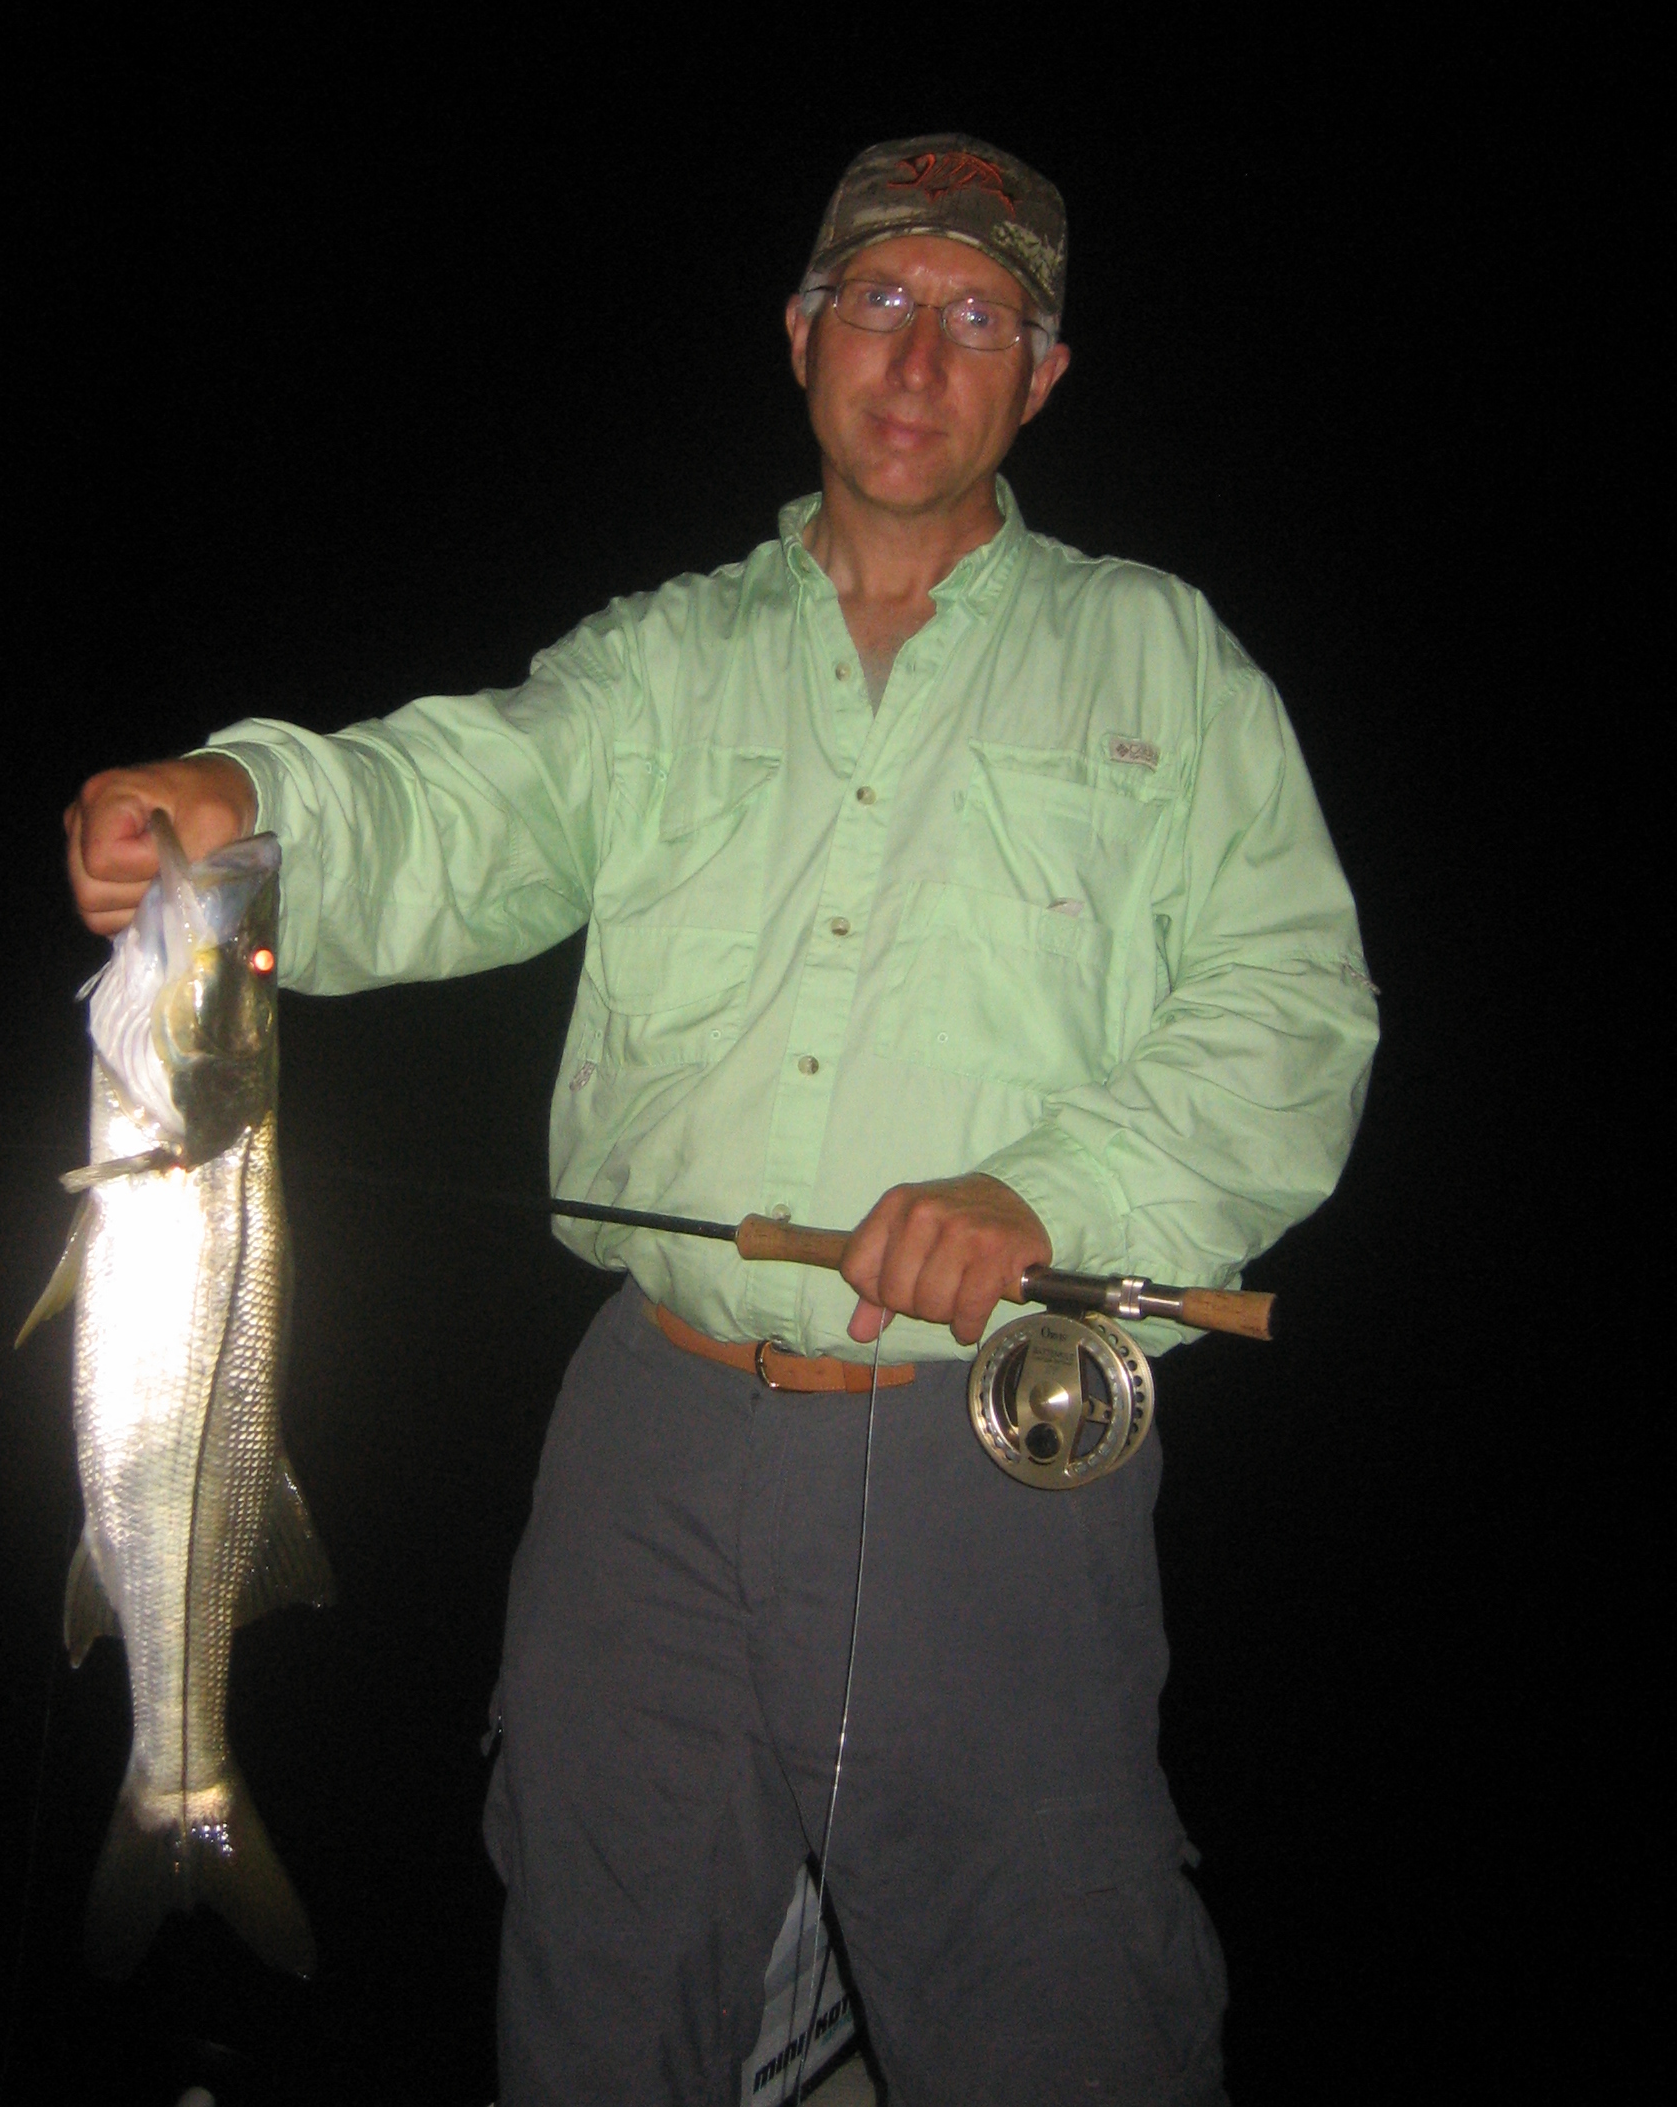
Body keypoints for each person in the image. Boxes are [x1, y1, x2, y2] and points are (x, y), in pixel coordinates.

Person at [67, 134, 1379, 2106]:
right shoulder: (662, 660)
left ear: (1042, 376)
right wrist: (242, 806)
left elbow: (1295, 1010)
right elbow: (457, 808)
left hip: (985, 1457)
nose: (919, 356)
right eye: (879, 301)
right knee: (597, 1978)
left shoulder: (1161, 662)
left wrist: (1051, 1191)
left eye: (978, 317)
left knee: (1047, 1997)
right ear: (800, 337)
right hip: (649, 1450)